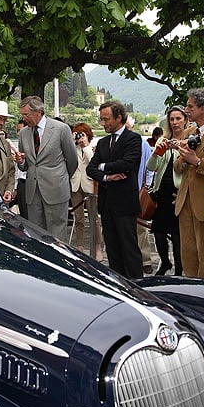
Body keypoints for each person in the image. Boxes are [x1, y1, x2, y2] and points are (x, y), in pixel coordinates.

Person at [86, 100, 143, 278]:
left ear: (119, 118)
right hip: (107, 203)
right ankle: (117, 283)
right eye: (101, 119)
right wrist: (106, 176)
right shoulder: (103, 142)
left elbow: (127, 164)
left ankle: (136, 284)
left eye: (106, 119)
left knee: (129, 247)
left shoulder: (133, 139)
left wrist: (102, 166)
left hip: (125, 204)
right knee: (112, 247)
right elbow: (90, 169)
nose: (103, 123)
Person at [14, 96, 78, 241]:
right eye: (22, 115)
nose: (23, 119)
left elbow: (72, 160)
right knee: (36, 234)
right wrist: (20, 161)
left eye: (26, 115)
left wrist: (60, 178)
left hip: (56, 190)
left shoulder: (61, 129)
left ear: (38, 112)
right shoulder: (24, 133)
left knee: (57, 235)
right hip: (33, 191)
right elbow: (26, 165)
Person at [173, 88, 204, 279]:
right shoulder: (188, 132)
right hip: (185, 201)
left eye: (190, 106)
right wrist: (183, 159)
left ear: (202, 108)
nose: (186, 109)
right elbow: (177, 167)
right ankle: (190, 291)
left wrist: (197, 162)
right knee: (188, 253)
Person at [147, 106, 187, 275]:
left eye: (178, 119)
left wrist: (180, 148)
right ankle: (165, 262)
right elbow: (151, 166)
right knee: (159, 232)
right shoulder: (163, 139)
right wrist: (157, 153)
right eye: (172, 119)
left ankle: (179, 269)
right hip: (162, 190)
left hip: (179, 191)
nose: (175, 122)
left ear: (185, 120)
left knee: (178, 235)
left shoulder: (190, 139)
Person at [70, 122, 103, 260]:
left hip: (90, 185)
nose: (79, 136)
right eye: (77, 134)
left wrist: (86, 147)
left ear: (87, 134)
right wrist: (72, 142)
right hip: (75, 184)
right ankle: (79, 246)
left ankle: (97, 247)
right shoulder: (73, 147)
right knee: (78, 218)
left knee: (94, 218)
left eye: (81, 134)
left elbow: (94, 164)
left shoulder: (93, 148)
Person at [127, 117, 155, 274]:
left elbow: (149, 166)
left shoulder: (143, 144)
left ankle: (145, 260)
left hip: (139, 189)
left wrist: (146, 185)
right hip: (124, 193)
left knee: (141, 229)